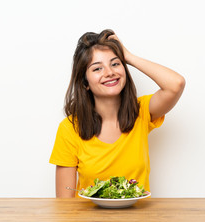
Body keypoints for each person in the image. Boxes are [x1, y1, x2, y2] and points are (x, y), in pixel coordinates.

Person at [49, 29, 185, 198]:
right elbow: (65, 203)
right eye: (97, 68)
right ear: (85, 83)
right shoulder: (70, 128)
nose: (109, 72)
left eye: (115, 64)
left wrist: (128, 56)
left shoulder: (141, 111)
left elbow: (176, 84)